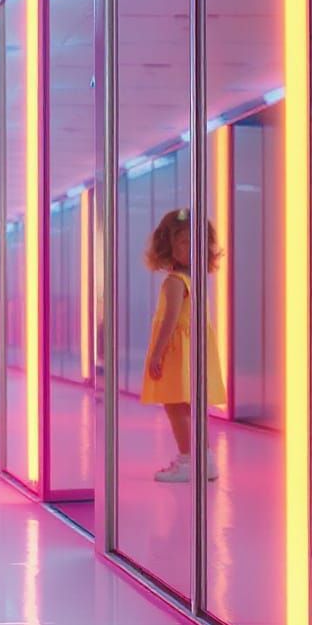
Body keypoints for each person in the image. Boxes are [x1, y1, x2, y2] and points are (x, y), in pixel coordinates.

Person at [140, 207, 226, 483]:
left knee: (175, 407)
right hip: (190, 349)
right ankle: (204, 458)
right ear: (168, 246)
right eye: (183, 242)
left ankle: (189, 459)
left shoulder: (176, 282)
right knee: (189, 408)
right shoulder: (194, 279)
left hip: (177, 352)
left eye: (195, 242)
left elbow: (171, 320)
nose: (190, 248)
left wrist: (157, 353)